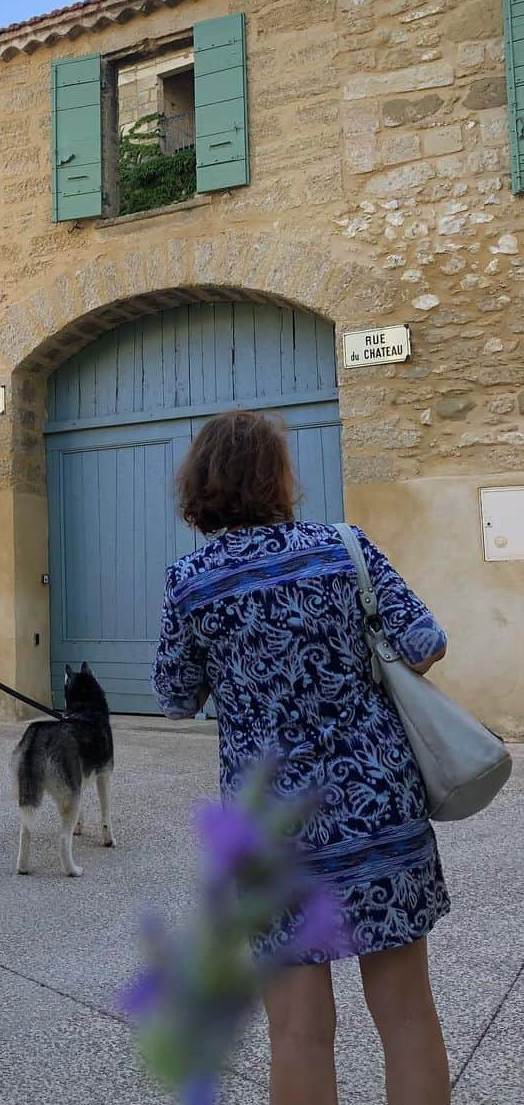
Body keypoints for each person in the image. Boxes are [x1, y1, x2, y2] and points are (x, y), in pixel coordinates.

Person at [153, 410, 450, 1105]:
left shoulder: (191, 580)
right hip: (379, 809)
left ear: (200, 483)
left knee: (297, 1031)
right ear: (280, 477)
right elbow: (427, 641)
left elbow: (173, 695)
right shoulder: (343, 549)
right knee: (407, 1015)